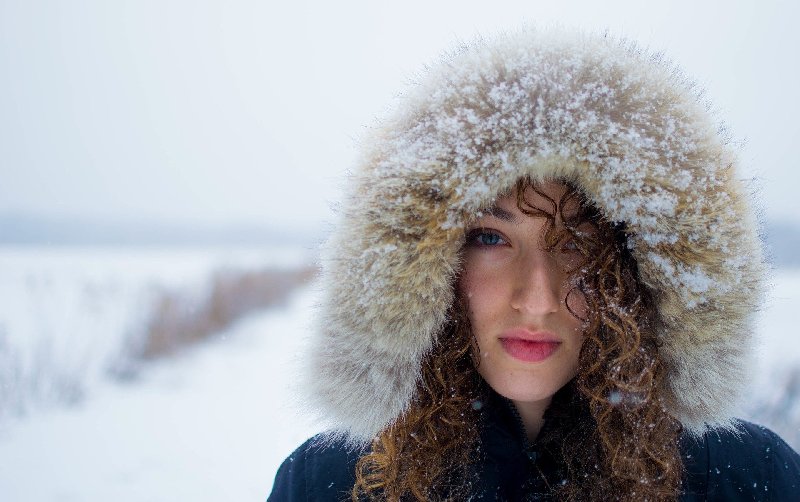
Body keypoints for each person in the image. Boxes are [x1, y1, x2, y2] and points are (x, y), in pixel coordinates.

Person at [268, 27, 800, 501]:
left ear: (641, 273)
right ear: (425, 267)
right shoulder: (334, 482)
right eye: (491, 238)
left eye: (578, 244)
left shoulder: (743, 478)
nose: (538, 298)